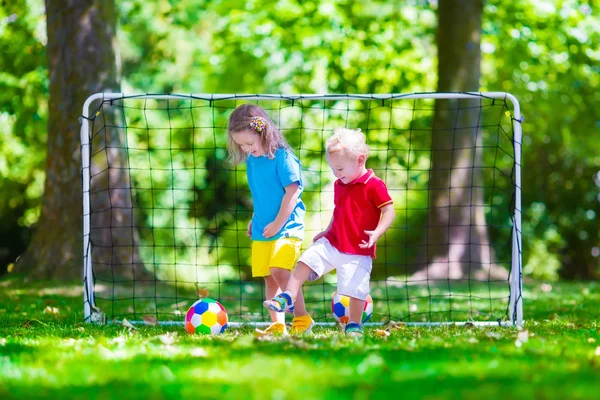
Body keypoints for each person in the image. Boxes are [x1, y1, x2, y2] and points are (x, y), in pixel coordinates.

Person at [263, 127, 395, 337]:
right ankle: (288, 296)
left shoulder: (374, 185)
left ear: (360, 160)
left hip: (358, 250)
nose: (336, 174)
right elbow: (339, 211)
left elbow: (389, 211)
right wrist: (327, 230)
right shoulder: (340, 184)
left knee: (356, 289)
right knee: (305, 260)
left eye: (340, 169)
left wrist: (377, 232)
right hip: (333, 242)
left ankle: (354, 324)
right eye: (333, 169)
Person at [227, 104, 314, 335]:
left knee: (280, 269)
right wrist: (254, 218)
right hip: (262, 227)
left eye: (249, 143)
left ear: (261, 131)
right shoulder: (252, 161)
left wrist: (277, 223)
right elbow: (261, 194)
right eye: (241, 145)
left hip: (287, 226)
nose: (246, 149)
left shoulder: (283, 157)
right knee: (269, 277)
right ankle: (277, 325)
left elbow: (293, 193)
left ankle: (302, 319)